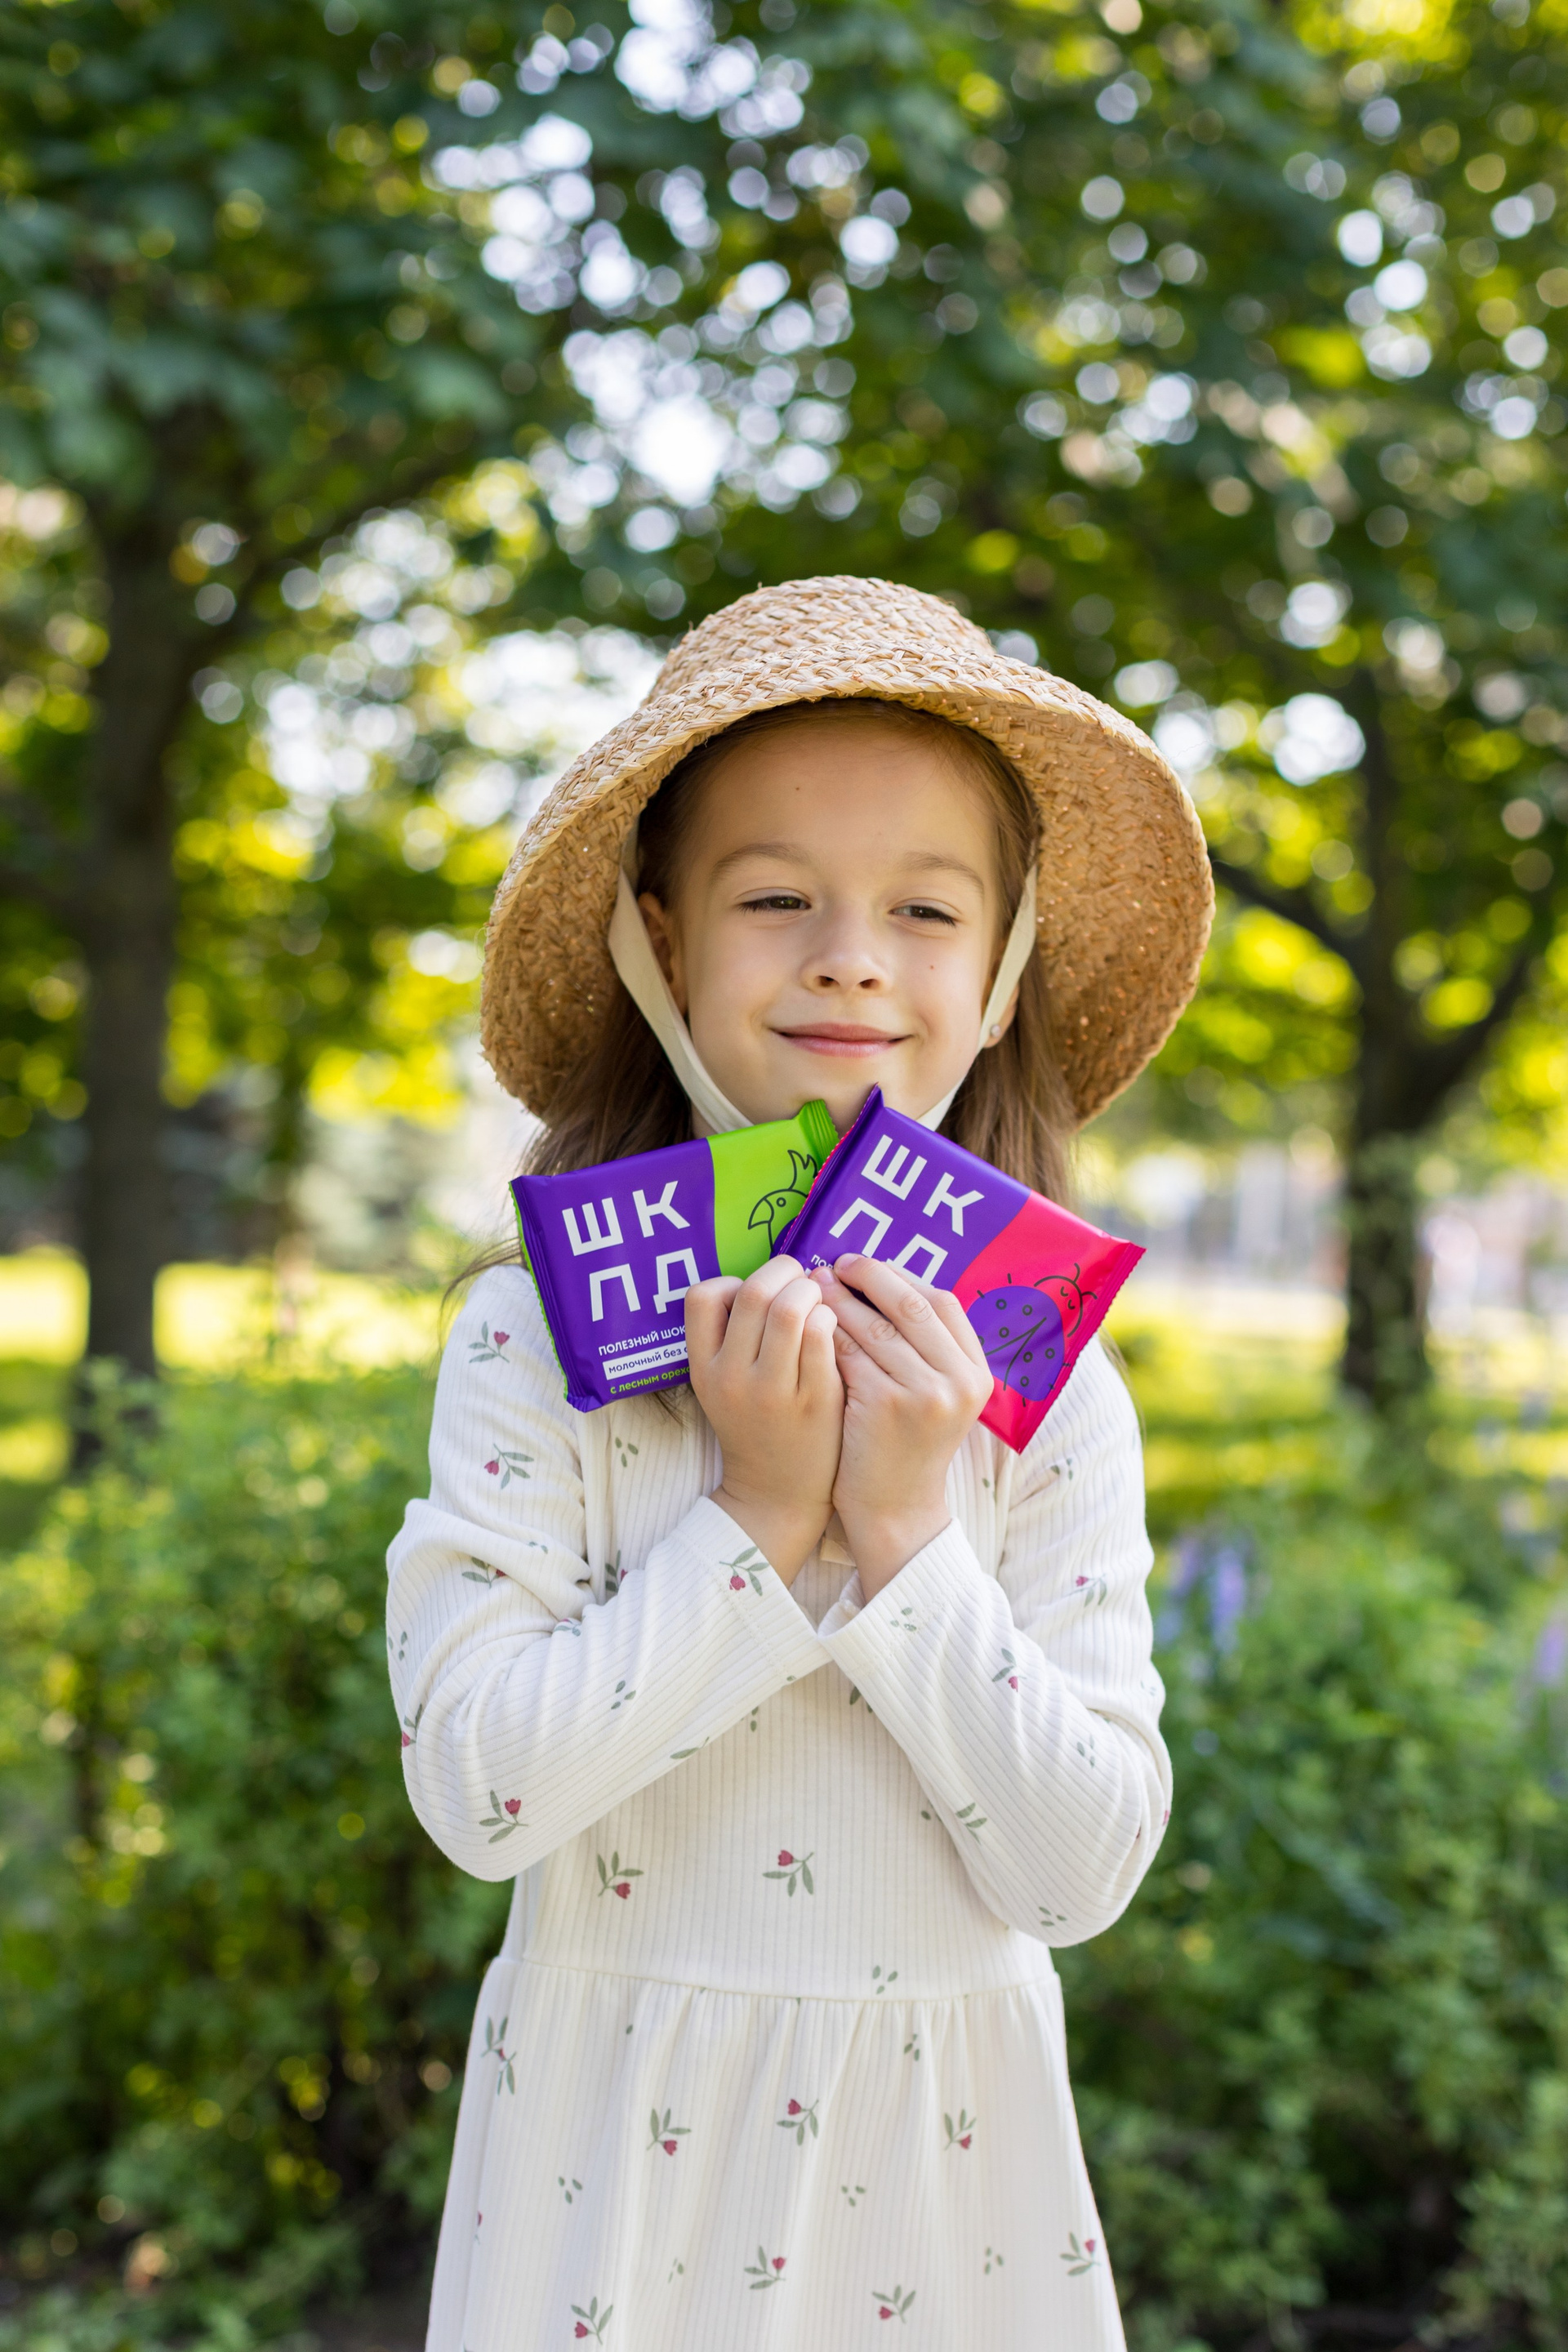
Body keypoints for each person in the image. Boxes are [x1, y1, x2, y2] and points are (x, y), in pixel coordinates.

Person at [386, 575, 1213, 2350]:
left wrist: (907, 1531)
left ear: (999, 971)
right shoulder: (527, 1342)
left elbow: (1080, 1873)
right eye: (777, 899)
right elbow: (480, 1796)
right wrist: (757, 1516)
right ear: (661, 943)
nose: (850, 954)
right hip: (611, 2168)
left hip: (942, 2174)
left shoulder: (1048, 1385)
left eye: (925, 907)